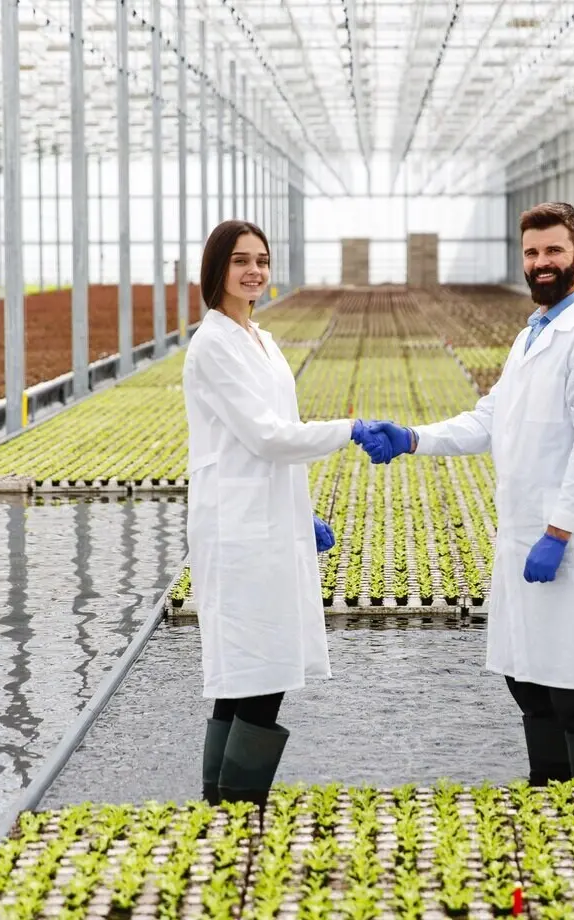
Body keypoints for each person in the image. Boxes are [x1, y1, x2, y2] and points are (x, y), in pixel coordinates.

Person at [358, 201, 574, 786]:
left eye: (554, 251)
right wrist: (413, 438)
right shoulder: (531, 335)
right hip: (521, 538)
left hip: (569, 542)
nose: (541, 263)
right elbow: (490, 418)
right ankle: (551, 801)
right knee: (529, 682)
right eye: (532, 252)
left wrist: (559, 532)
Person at [183, 218, 386, 807]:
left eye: (262, 261)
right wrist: (348, 428)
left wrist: (301, 513)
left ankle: (218, 803)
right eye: (241, 260)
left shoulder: (260, 339)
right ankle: (239, 804)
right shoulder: (214, 342)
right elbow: (268, 437)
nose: (254, 271)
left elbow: (274, 441)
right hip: (239, 529)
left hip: (265, 520)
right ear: (216, 269)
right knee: (257, 674)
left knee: (249, 675)